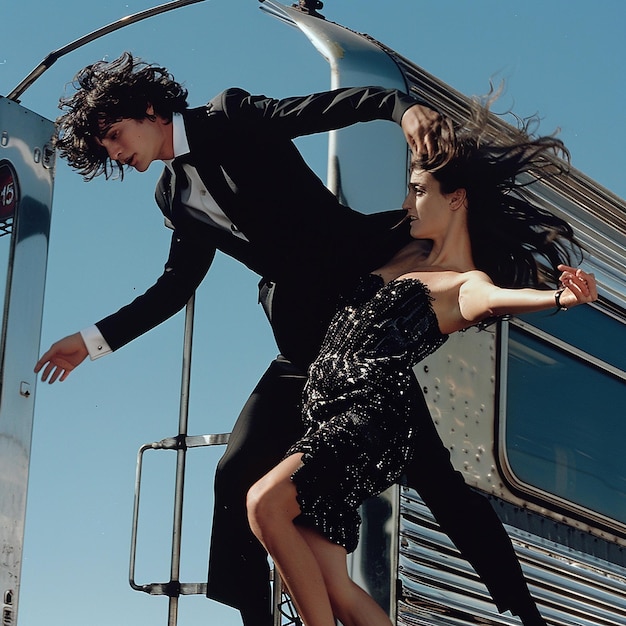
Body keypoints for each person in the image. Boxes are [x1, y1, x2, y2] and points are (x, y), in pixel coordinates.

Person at [34, 53, 542, 626]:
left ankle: (526, 613)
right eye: (106, 150)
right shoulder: (171, 196)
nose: (116, 155)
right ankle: (256, 618)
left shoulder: (231, 115)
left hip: (357, 320)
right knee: (234, 474)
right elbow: (176, 285)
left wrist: (402, 110)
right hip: (302, 345)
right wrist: (92, 339)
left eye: (114, 136)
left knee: (437, 481)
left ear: (147, 109)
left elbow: (327, 108)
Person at [246, 96, 598, 626]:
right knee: (335, 582)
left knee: (263, 503)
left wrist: (560, 299)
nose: (408, 204)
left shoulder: (465, 283)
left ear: (455, 200)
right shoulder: (407, 252)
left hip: (367, 419)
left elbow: (498, 300)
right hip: (328, 414)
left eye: (417, 192)